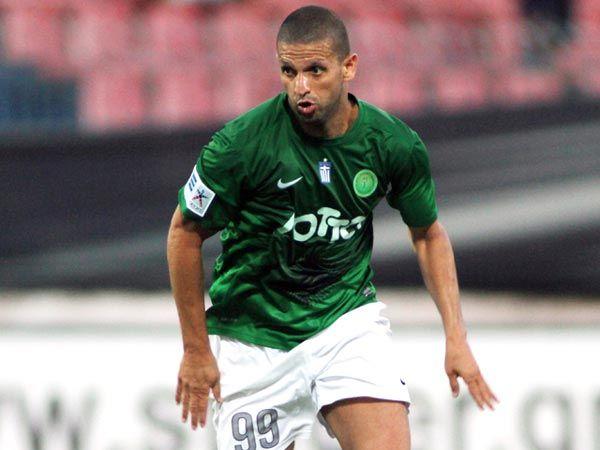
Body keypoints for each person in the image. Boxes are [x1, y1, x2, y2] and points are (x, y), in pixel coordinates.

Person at [167, 5, 497, 450]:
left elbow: (428, 234)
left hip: (344, 323)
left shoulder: (393, 145)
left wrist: (456, 337)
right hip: (254, 337)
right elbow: (183, 234)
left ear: (349, 67)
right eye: (289, 71)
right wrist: (195, 349)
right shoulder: (239, 146)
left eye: (316, 70)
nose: (300, 87)